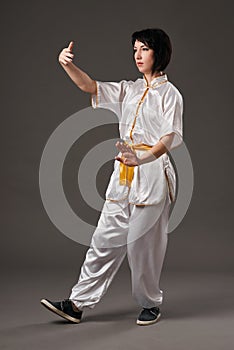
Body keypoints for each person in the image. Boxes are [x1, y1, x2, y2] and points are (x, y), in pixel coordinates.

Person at [41, 28, 184, 326]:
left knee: (142, 246)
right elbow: (91, 87)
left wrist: (143, 157)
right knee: (104, 239)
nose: (138, 55)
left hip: (153, 174)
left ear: (159, 51)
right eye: (135, 50)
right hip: (123, 173)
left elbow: (171, 137)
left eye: (144, 49)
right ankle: (77, 304)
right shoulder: (128, 89)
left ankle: (150, 303)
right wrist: (67, 65)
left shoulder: (170, 94)